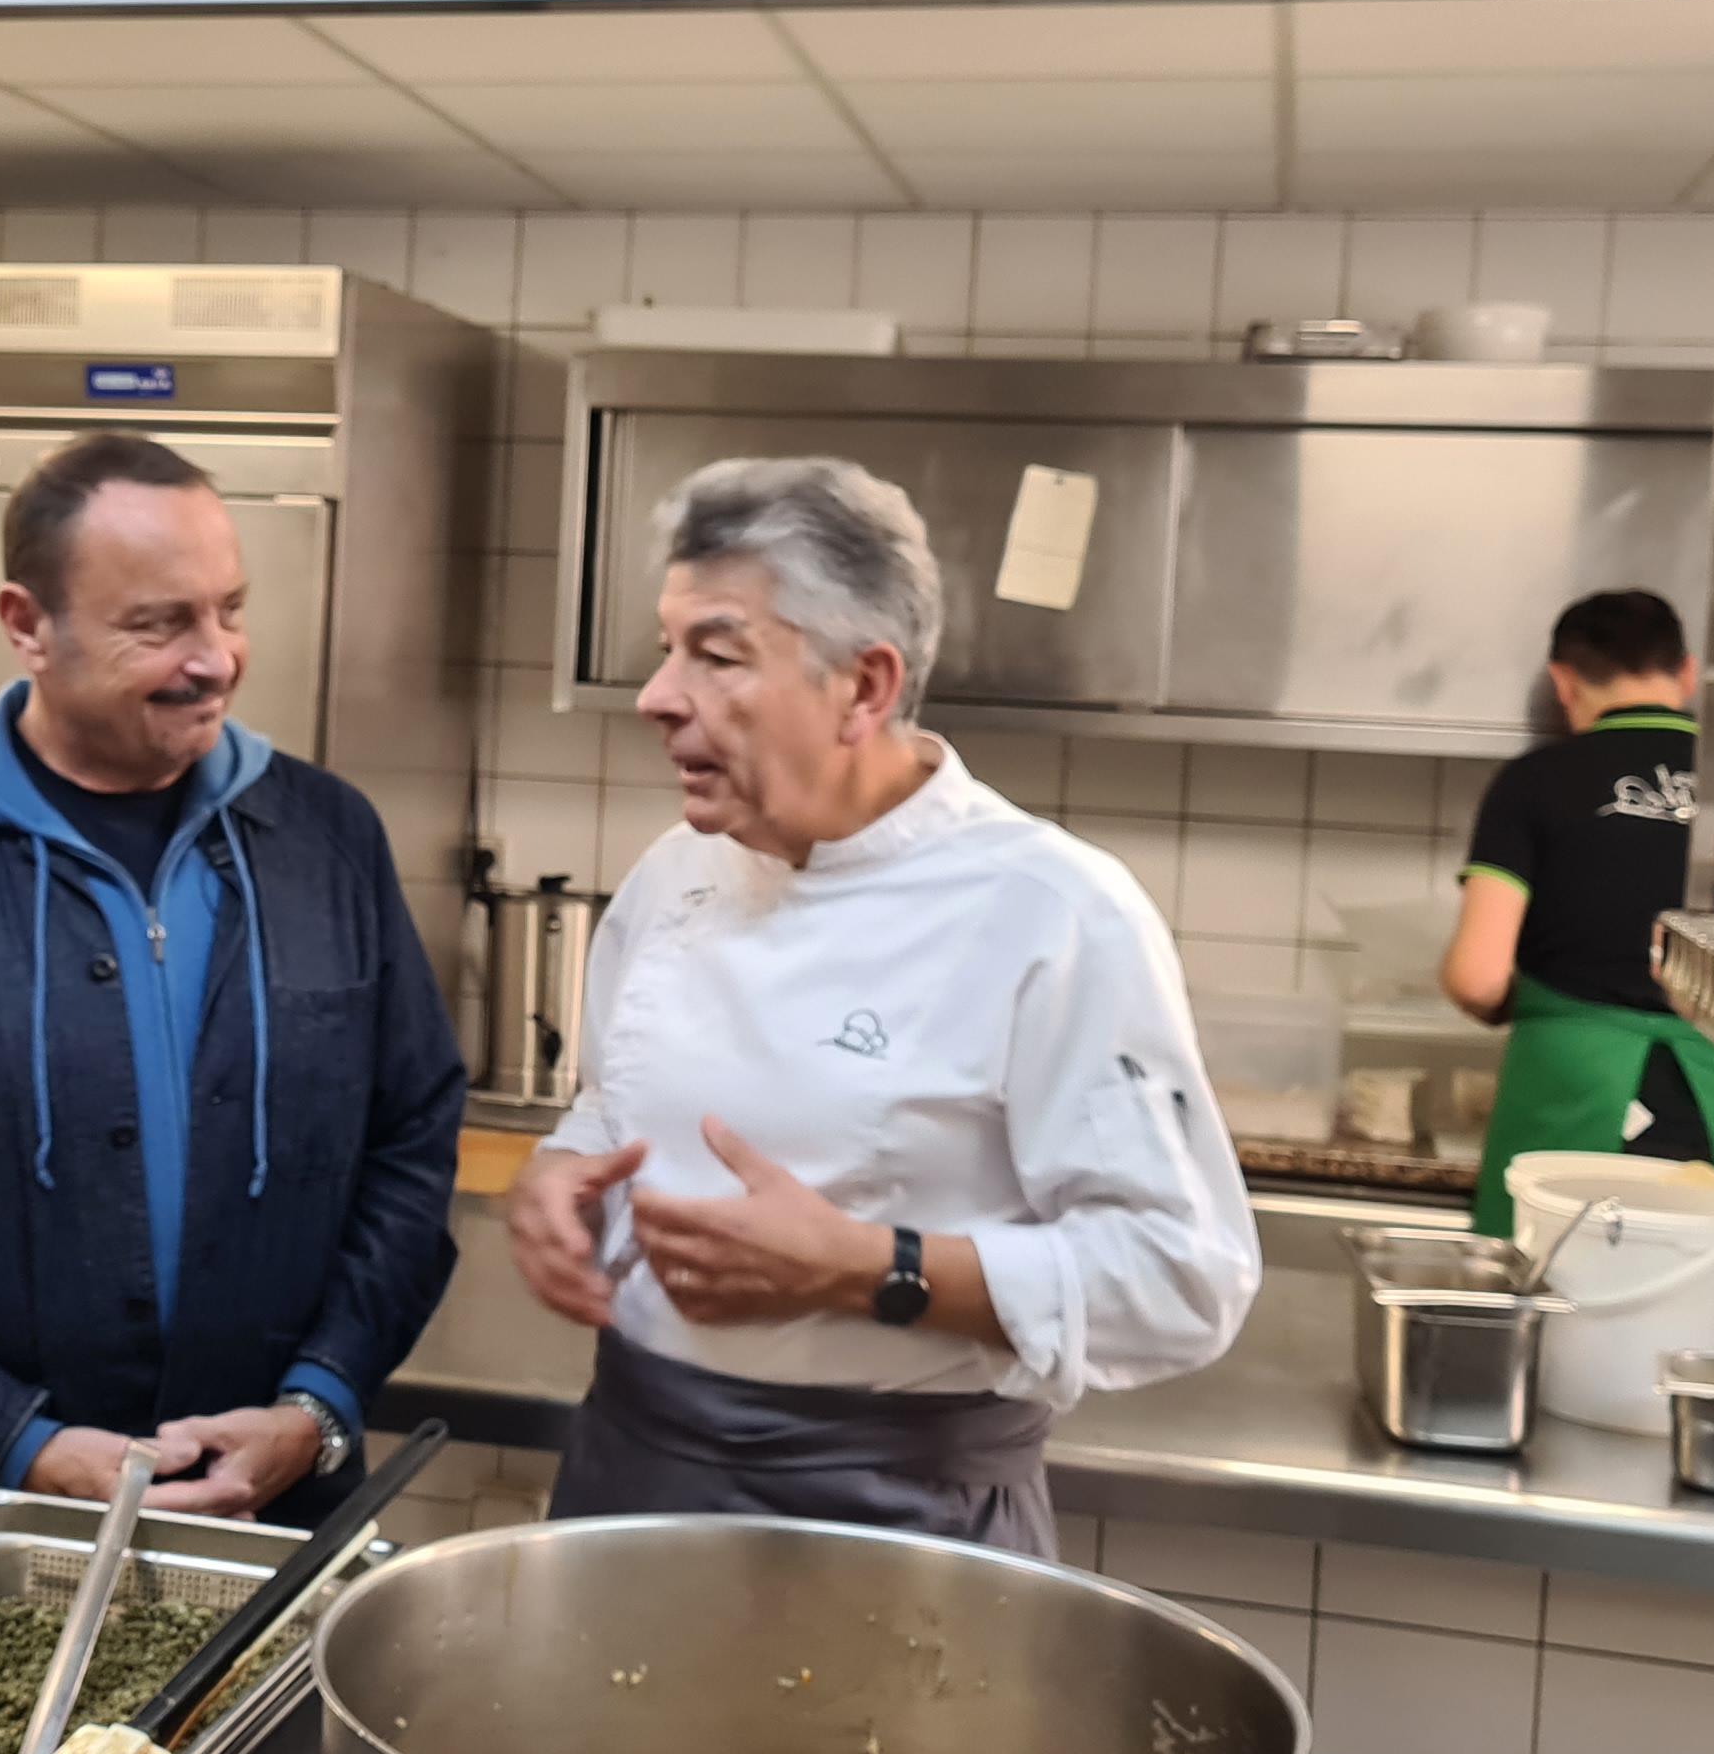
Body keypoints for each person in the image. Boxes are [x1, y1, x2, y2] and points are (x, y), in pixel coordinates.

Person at [504, 456, 1257, 1552]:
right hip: (634, 1468)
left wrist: (869, 1268)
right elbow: (618, 1109)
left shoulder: (1052, 913)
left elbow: (1181, 1281)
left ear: (864, 687)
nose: (658, 696)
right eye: (668, 649)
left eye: (717, 655)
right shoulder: (676, 873)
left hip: (900, 1514)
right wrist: (560, 1176)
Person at [0, 433, 465, 1533]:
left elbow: (409, 1144)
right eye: (158, 624)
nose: (215, 659)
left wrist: (318, 1403)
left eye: (229, 611)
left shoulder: (326, 841)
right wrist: (13, 1440)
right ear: (26, 624)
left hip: (278, 1515)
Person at [1440, 586, 1714, 1229]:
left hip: (1572, 1093)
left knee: (1557, 1275)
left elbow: (1477, 977)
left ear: (1564, 681)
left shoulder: (1535, 781)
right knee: (1698, 1275)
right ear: (1688, 673)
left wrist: (1527, 1008)